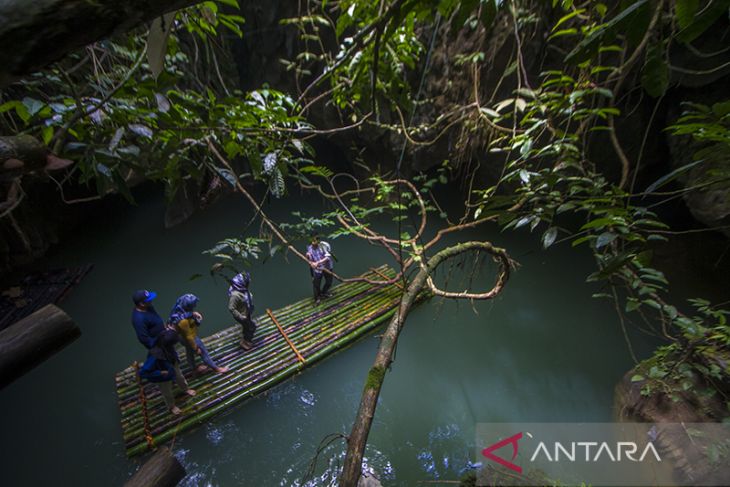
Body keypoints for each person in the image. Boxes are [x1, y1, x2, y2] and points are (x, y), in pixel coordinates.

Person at [138, 327, 196, 415]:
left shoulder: (165, 341)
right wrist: (160, 373)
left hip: (172, 364)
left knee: (180, 377)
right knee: (166, 391)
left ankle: (185, 389)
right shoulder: (155, 354)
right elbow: (143, 372)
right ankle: (171, 406)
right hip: (163, 374)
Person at [169, 293, 229, 375]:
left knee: (189, 353)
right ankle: (216, 368)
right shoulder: (183, 321)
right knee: (204, 353)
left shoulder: (181, 314)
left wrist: (193, 314)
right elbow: (189, 336)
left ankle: (193, 368)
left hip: (183, 338)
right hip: (191, 338)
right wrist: (196, 348)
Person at [228, 272, 256, 350]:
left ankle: (245, 337)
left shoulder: (243, 290)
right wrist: (240, 316)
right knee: (252, 327)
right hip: (242, 315)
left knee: (247, 327)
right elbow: (231, 308)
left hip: (246, 312)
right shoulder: (235, 295)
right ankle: (245, 342)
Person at [306, 234, 334, 304]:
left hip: (327, 267)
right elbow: (309, 260)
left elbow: (327, 258)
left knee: (329, 282)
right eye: (312, 241)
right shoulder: (309, 248)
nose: (313, 243)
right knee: (316, 285)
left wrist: (317, 263)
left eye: (315, 241)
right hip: (317, 269)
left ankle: (324, 293)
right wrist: (309, 259)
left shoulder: (325, 245)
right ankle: (317, 298)